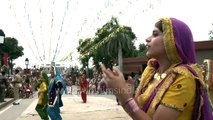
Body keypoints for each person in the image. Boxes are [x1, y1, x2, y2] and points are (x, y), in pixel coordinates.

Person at [101, 18, 212, 119]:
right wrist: (126, 94)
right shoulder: (151, 72)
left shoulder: (184, 78)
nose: (147, 39)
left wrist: (125, 98)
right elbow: (138, 110)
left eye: (155, 34)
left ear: (172, 40)